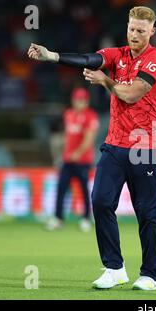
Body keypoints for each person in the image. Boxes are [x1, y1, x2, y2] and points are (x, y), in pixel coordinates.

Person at [28, 6, 156, 291]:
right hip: (115, 145)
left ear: (152, 32)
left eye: (141, 30)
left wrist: (105, 80)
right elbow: (91, 59)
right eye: (131, 28)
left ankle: (150, 275)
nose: (134, 35)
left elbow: (131, 94)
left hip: (146, 148)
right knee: (101, 201)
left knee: (147, 213)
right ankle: (114, 268)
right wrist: (52, 56)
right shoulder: (116, 54)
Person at [45, 87, 99, 233]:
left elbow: (89, 138)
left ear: (86, 101)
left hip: (83, 160)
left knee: (83, 189)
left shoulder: (91, 116)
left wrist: (78, 153)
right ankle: (58, 218)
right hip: (67, 159)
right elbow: (67, 137)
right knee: (61, 188)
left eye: (81, 100)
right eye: (76, 100)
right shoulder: (68, 114)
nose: (79, 103)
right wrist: (63, 153)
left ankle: (86, 218)